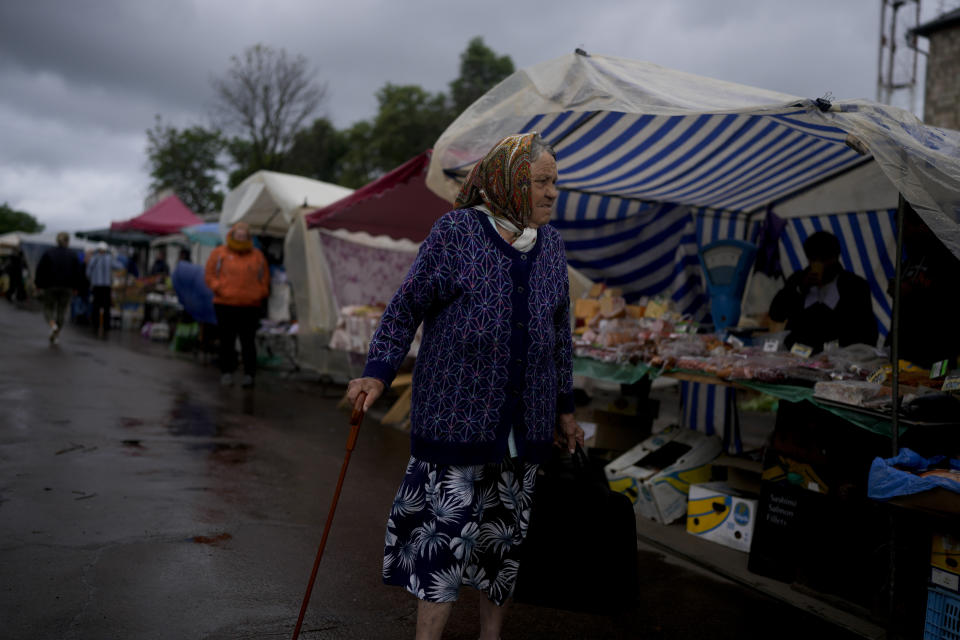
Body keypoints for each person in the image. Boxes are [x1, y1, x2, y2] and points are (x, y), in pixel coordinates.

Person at [346, 132, 584, 640]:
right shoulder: (456, 233)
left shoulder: (553, 246)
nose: (551, 193)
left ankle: (490, 637)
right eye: (541, 182)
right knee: (444, 545)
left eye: (555, 183)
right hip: (457, 418)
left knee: (502, 547)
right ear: (509, 182)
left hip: (525, 428)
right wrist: (378, 371)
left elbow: (560, 335)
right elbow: (405, 306)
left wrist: (565, 409)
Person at [769, 231, 877, 353]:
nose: (820, 264)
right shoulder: (799, 279)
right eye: (813, 259)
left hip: (837, 357)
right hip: (797, 354)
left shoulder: (854, 285)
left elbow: (867, 332)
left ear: (835, 257)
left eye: (824, 259)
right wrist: (800, 288)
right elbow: (776, 314)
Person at [887, 205, 960, 369]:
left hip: (938, 354)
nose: (901, 234)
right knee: (907, 390)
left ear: (924, 226)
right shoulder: (908, 261)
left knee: (934, 389)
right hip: (906, 353)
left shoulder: (948, 261)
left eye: (904, 227)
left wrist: (912, 292)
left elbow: (950, 303)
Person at [204, 222, 269, 387]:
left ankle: (249, 375)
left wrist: (260, 293)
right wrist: (218, 288)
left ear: (248, 238)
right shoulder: (220, 253)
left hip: (250, 306)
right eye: (238, 235)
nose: (241, 238)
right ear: (232, 236)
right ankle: (226, 372)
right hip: (225, 304)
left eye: (244, 236)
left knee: (248, 341)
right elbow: (209, 274)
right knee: (227, 340)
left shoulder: (257, 256)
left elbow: (265, 279)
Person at [34, 232, 83, 344]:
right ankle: (56, 334)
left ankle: (52, 325)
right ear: (67, 241)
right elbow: (78, 273)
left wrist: (38, 285)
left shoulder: (49, 253)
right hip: (67, 287)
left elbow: (41, 270)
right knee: (62, 311)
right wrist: (76, 287)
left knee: (48, 308)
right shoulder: (72, 255)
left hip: (50, 286)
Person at [86, 242, 119, 336]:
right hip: (106, 287)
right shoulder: (109, 258)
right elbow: (119, 266)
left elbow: (88, 272)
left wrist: (92, 279)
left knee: (96, 306)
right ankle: (106, 326)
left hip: (97, 286)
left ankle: (95, 325)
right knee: (106, 307)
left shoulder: (94, 258)